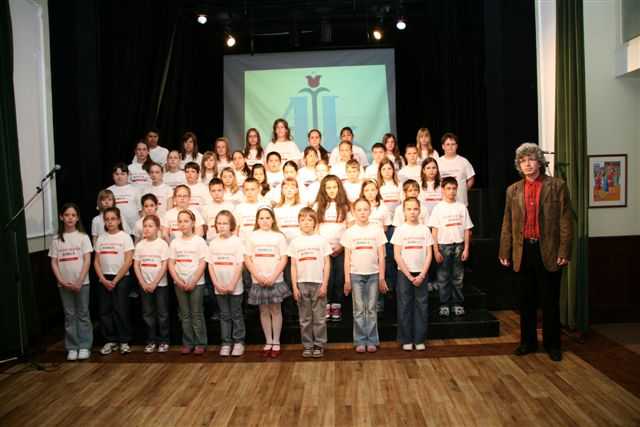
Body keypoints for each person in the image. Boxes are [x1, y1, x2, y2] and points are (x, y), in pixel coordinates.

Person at [499, 143, 573, 362]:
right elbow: (507, 222)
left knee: (550, 301)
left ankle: (553, 345)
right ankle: (528, 342)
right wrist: (505, 250)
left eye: (531, 159)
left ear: (539, 161)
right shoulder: (513, 190)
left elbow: (566, 221)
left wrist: (564, 250)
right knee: (526, 301)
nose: (527, 164)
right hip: (523, 251)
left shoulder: (557, 186)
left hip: (549, 250)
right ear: (519, 165)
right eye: (523, 161)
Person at [341, 198, 388, 353]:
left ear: (370, 211)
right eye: (359, 210)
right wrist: (347, 279)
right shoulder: (349, 232)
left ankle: (372, 340)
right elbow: (347, 258)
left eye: (365, 209)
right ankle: (360, 340)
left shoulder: (377, 230)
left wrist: (382, 277)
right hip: (355, 275)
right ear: (353, 212)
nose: (362, 212)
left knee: (372, 309)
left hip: (373, 274)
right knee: (359, 309)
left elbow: (382, 256)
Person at [243, 207, 290, 358]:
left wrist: (273, 277)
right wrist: (257, 276)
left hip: (275, 279)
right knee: (263, 311)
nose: (264, 221)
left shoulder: (279, 237)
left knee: (276, 310)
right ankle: (268, 341)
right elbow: (247, 258)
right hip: (259, 280)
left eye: (267, 218)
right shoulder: (252, 236)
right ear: (257, 220)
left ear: (273, 220)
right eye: (261, 218)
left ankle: (276, 342)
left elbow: (283, 258)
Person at [49, 203, 93, 361]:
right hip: (64, 284)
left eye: (73, 215)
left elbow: (87, 260)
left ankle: (85, 346)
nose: (70, 218)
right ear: (61, 217)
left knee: (83, 313)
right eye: (67, 215)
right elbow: (54, 262)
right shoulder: (56, 239)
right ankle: (72, 347)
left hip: (82, 283)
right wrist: (61, 280)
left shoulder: (83, 237)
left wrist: (80, 280)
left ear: (77, 218)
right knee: (69, 315)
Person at [289, 207, 332, 358]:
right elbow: (293, 266)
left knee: (319, 318)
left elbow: (327, 263)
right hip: (302, 284)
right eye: (303, 220)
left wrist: (324, 284)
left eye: (309, 220)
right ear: (299, 223)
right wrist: (295, 287)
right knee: (305, 319)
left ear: (315, 222)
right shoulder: (295, 242)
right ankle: (307, 345)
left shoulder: (321, 240)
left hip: (318, 283)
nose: (306, 223)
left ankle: (319, 344)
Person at [428, 177, 473, 319]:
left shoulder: (461, 207)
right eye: (448, 188)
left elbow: (467, 229)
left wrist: (466, 248)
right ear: (442, 189)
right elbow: (434, 231)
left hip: (459, 245)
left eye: (454, 188)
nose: (451, 191)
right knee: (443, 277)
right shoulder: (438, 208)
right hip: (443, 246)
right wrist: (436, 250)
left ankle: (457, 304)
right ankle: (444, 305)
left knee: (458, 277)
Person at [391, 197, 433, 351]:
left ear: (419, 210)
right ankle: (406, 339)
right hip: (404, 274)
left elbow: (429, 254)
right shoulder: (400, 230)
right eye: (409, 209)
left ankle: (419, 339)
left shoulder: (425, 230)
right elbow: (397, 255)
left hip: (421, 273)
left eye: (415, 209)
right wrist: (409, 276)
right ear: (404, 211)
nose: (412, 212)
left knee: (421, 306)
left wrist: (422, 275)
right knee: (404, 306)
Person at [94, 207, 134, 356]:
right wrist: (103, 279)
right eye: (107, 219)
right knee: (105, 311)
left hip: (121, 278)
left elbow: (128, 261)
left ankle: (124, 341)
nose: (110, 222)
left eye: (113, 219)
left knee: (120, 309)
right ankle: (110, 340)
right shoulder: (101, 238)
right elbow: (96, 261)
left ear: (118, 220)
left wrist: (116, 280)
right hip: (104, 278)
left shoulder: (125, 237)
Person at [168, 209, 209, 355]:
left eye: (186, 221)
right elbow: (171, 263)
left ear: (193, 223)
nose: (183, 224)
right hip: (179, 283)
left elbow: (203, 263)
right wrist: (178, 280)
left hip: (196, 283)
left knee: (196, 313)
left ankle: (200, 343)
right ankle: (188, 343)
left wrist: (193, 280)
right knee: (184, 314)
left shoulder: (199, 241)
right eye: (180, 221)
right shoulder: (174, 242)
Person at [208, 210, 246, 357]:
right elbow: (210, 265)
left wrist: (232, 284)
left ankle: (238, 342)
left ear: (231, 225)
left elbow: (240, 264)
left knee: (236, 314)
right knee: (224, 315)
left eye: (225, 223)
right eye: (219, 223)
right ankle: (226, 342)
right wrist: (216, 284)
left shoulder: (237, 242)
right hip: (219, 286)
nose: (222, 226)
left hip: (234, 286)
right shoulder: (213, 243)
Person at [133, 214, 170, 353]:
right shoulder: (140, 245)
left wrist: (155, 282)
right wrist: (142, 282)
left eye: (150, 226)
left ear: (157, 228)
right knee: (147, 314)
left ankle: (164, 341)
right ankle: (151, 341)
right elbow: (136, 265)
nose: (147, 229)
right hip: (144, 285)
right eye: (145, 226)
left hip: (159, 285)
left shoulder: (162, 244)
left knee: (162, 314)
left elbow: (164, 264)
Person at [314, 175, 349, 322]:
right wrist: (323, 247)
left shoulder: (345, 206)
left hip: (341, 248)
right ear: (323, 189)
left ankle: (336, 306)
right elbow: (315, 229)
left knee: (339, 278)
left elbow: (349, 228)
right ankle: (326, 305)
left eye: (334, 187)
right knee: (326, 278)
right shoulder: (318, 206)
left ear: (339, 188)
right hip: (324, 250)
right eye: (328, 187)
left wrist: (341, 246)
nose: (332, 190)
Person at [436, 133, 475, 206]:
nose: (450, 147)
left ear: (456, 146)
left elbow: (471, 179)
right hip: (443, 203)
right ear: (443, 146)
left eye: (453, 144)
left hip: (461, 202)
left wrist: (463, 190)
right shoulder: (437, 162)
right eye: (448, 144)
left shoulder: (464, 161)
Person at [107, 163, 140, 234]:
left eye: (123, 174)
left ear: (128, 175)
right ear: (113, 176)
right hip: (116, 229)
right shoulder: (108, 191)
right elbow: (103, 211)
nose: (119, 177)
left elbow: (141, 210)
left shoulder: (136, 190)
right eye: (117, 174)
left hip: (134, 229)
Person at [203, 178, 236, 242]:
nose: (216, 193)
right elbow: (205, 227)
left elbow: (233, 226)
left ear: (224, 190)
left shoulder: (230, 206)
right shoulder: (206, 208)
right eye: (213, 191)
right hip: (211, 241)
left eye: (219, 190)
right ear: (209, 192)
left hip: (228, 241)